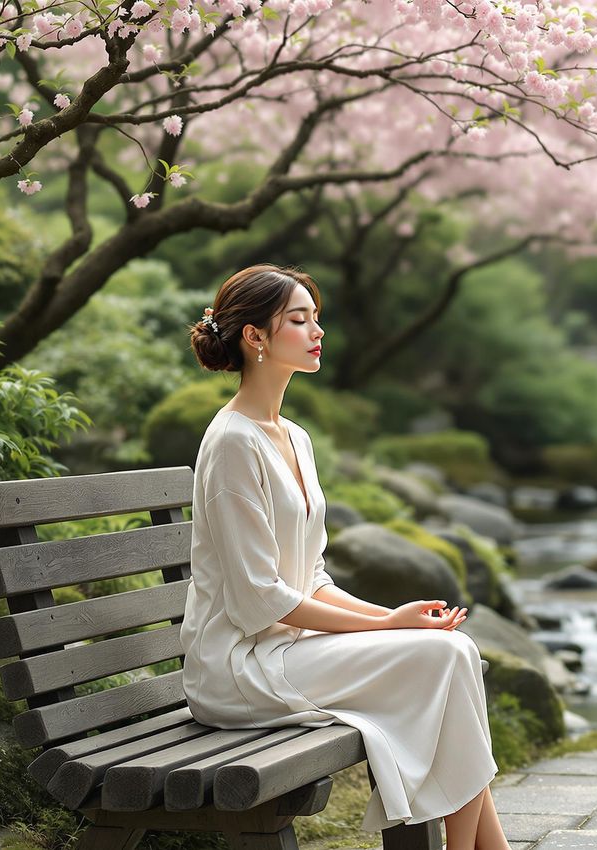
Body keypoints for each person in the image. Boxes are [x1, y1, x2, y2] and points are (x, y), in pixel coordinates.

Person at [179, 263, 511, 850]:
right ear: (254, 338)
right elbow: (261, 600)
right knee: (442, 658)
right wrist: (385, 624)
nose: (318, 332)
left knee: (450, 648)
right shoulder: (232, 442)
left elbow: (312, 579)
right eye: (299, 319)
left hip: (290, 648)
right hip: (239, 667)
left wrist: (390, 619)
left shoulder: (296, 437)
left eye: (317, 318)